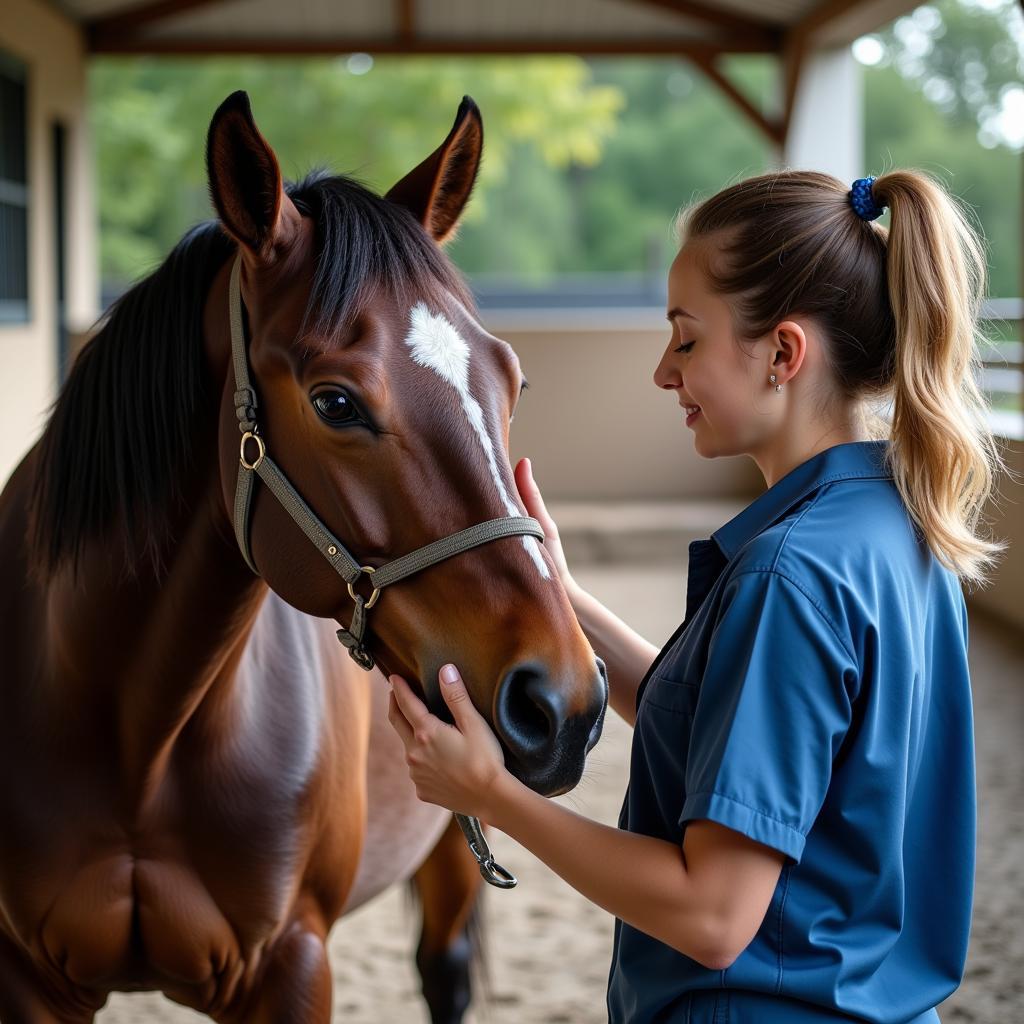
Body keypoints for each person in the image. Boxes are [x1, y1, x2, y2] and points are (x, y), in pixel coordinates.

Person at [386, 169, 1003, 1024]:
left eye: (685, 340)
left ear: (783, 354)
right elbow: (718, 722)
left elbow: (711, 916)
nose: (661, 373)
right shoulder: (898, 528)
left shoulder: (789, 576)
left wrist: (492, 797)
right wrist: (564, 596)